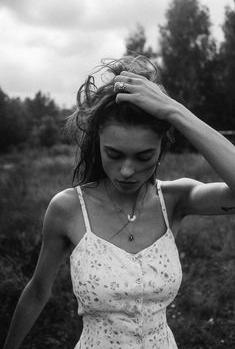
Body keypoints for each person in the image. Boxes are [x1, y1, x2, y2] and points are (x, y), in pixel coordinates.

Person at [3, 55, 235, 349]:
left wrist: (174, 111)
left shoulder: (177, 199)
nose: (127, 170)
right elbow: (37, 290)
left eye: (143, 157)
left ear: (162, 147)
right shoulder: (68, 208)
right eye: (113, 154)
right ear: (97, 141)